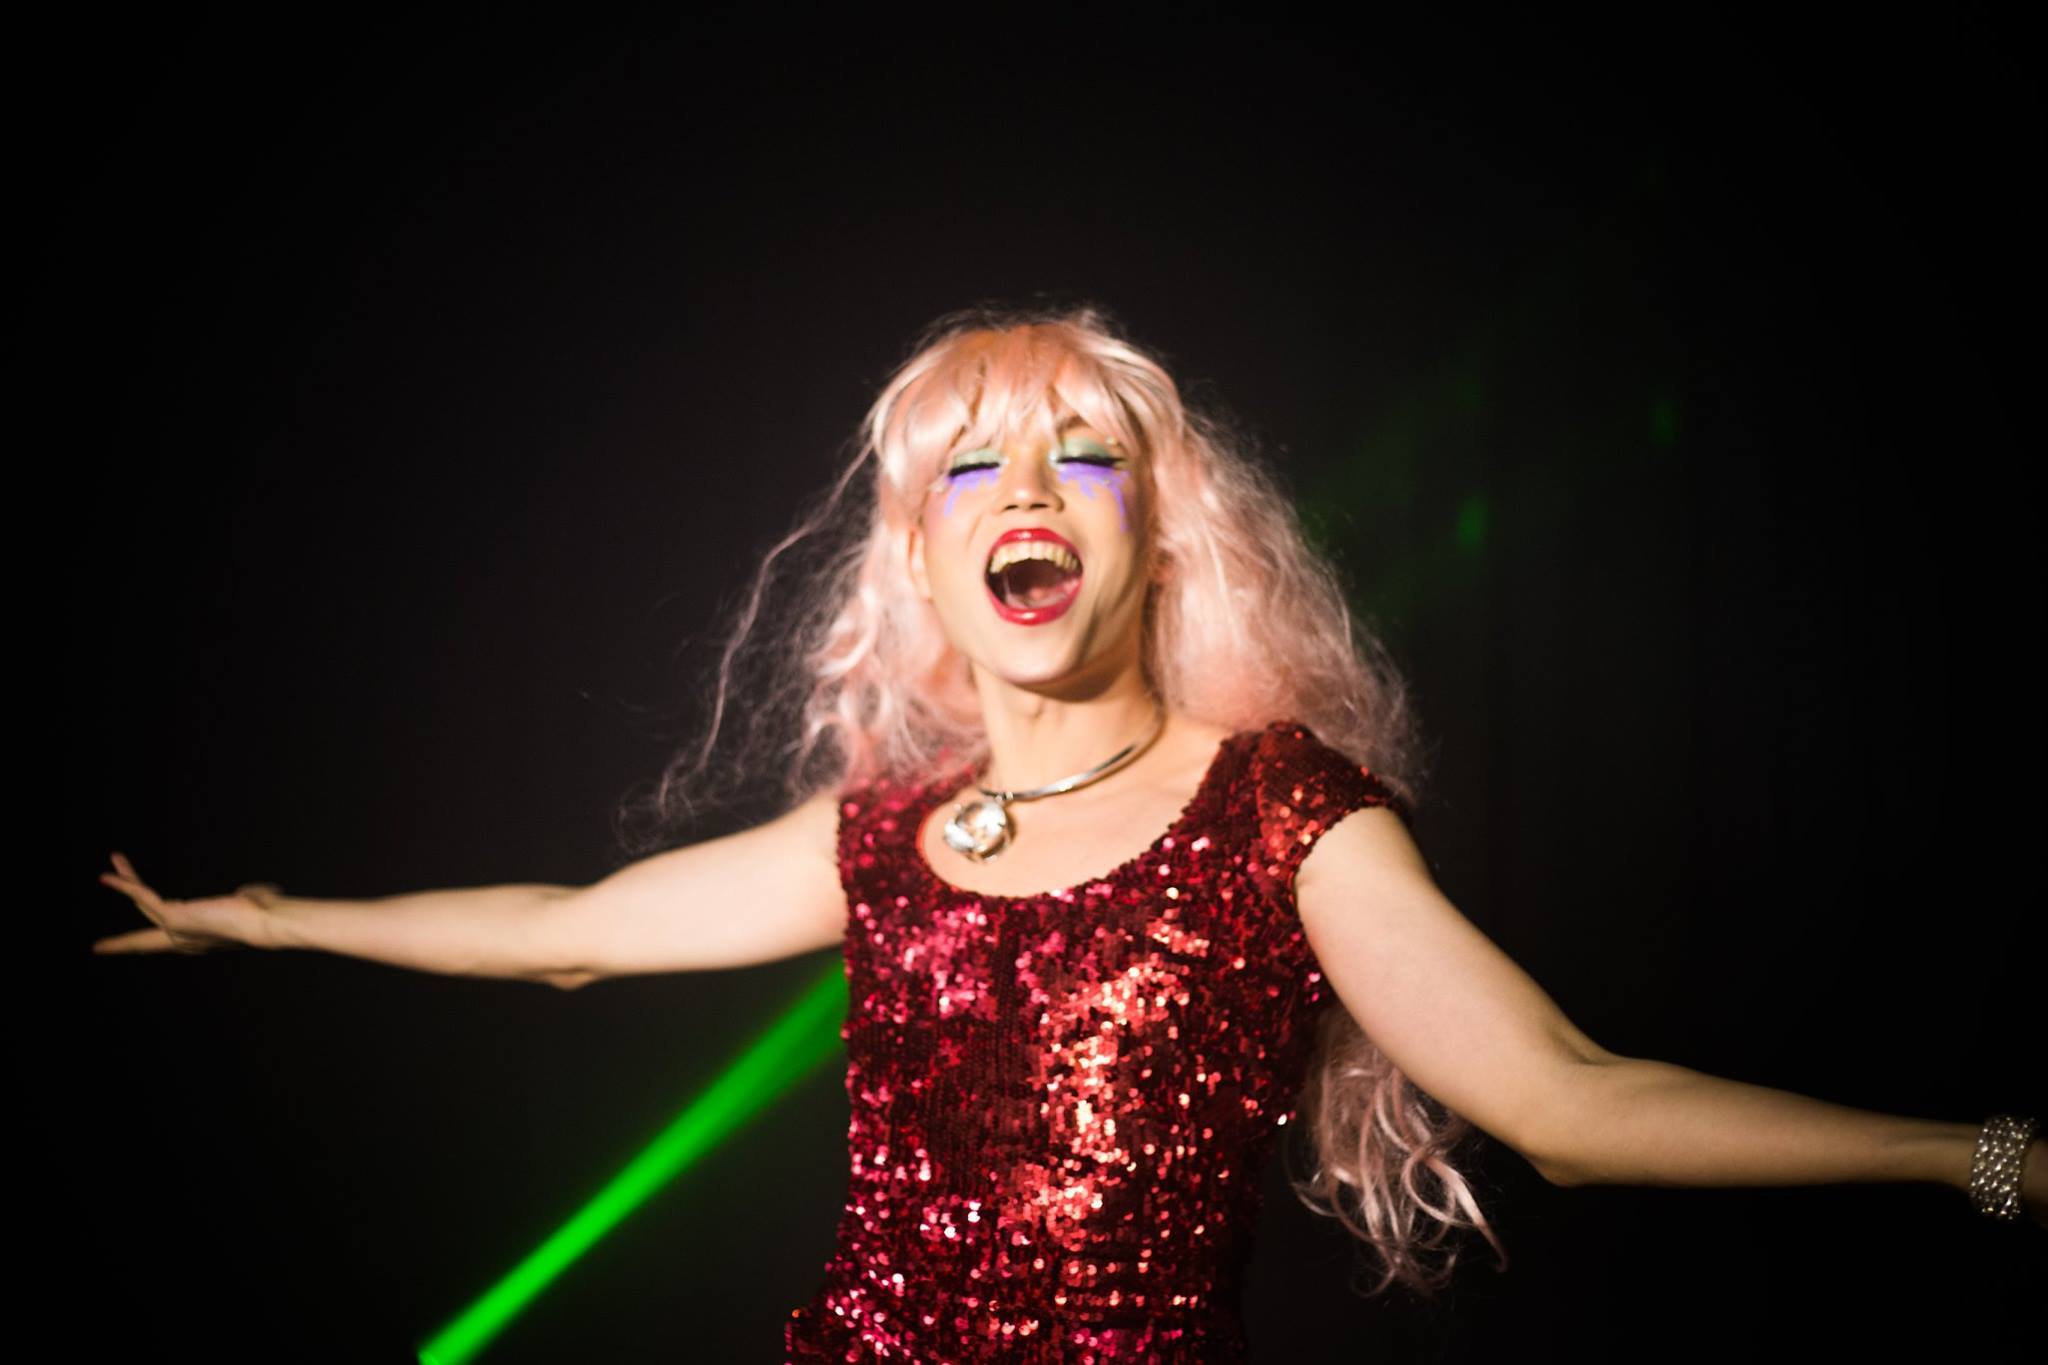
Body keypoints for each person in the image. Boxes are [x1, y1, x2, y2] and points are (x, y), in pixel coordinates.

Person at [96, 304, 2044, 1362]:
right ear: (925, 562)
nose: (1026, 484)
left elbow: (1566, 1098)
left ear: (1158, 542)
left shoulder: (1279, 814)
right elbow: (576, 929)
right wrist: (261, 916)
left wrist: (1968, 1153)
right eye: (971, 464)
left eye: (1080, 453)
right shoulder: (884, 837)